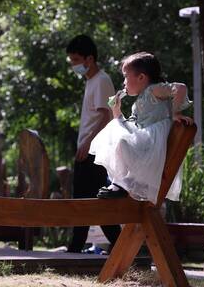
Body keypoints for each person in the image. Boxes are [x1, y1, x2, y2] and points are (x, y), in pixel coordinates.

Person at [90, 51, 192, 203]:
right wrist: (116, 110)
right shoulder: (137, 104)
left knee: (122, 142)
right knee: (119, 137)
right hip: (144, 146)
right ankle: (120, 184)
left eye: (126, 76)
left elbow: (181, 88)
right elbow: (129, 128)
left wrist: (174, 113)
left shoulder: (153, 90)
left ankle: (121, 185)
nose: (123, 82)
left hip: (152, 146)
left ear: (141, 77)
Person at [65, 34, 121, 253]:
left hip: (94, 151)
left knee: (84, 202)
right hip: (91, 150)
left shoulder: (102, 80)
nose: (73, 65)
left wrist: (87, 144)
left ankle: (76, 248)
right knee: (95, 203)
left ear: (89, 59)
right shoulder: (92, 81)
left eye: (76, 60)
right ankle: (120, 246)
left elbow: (104, 117)